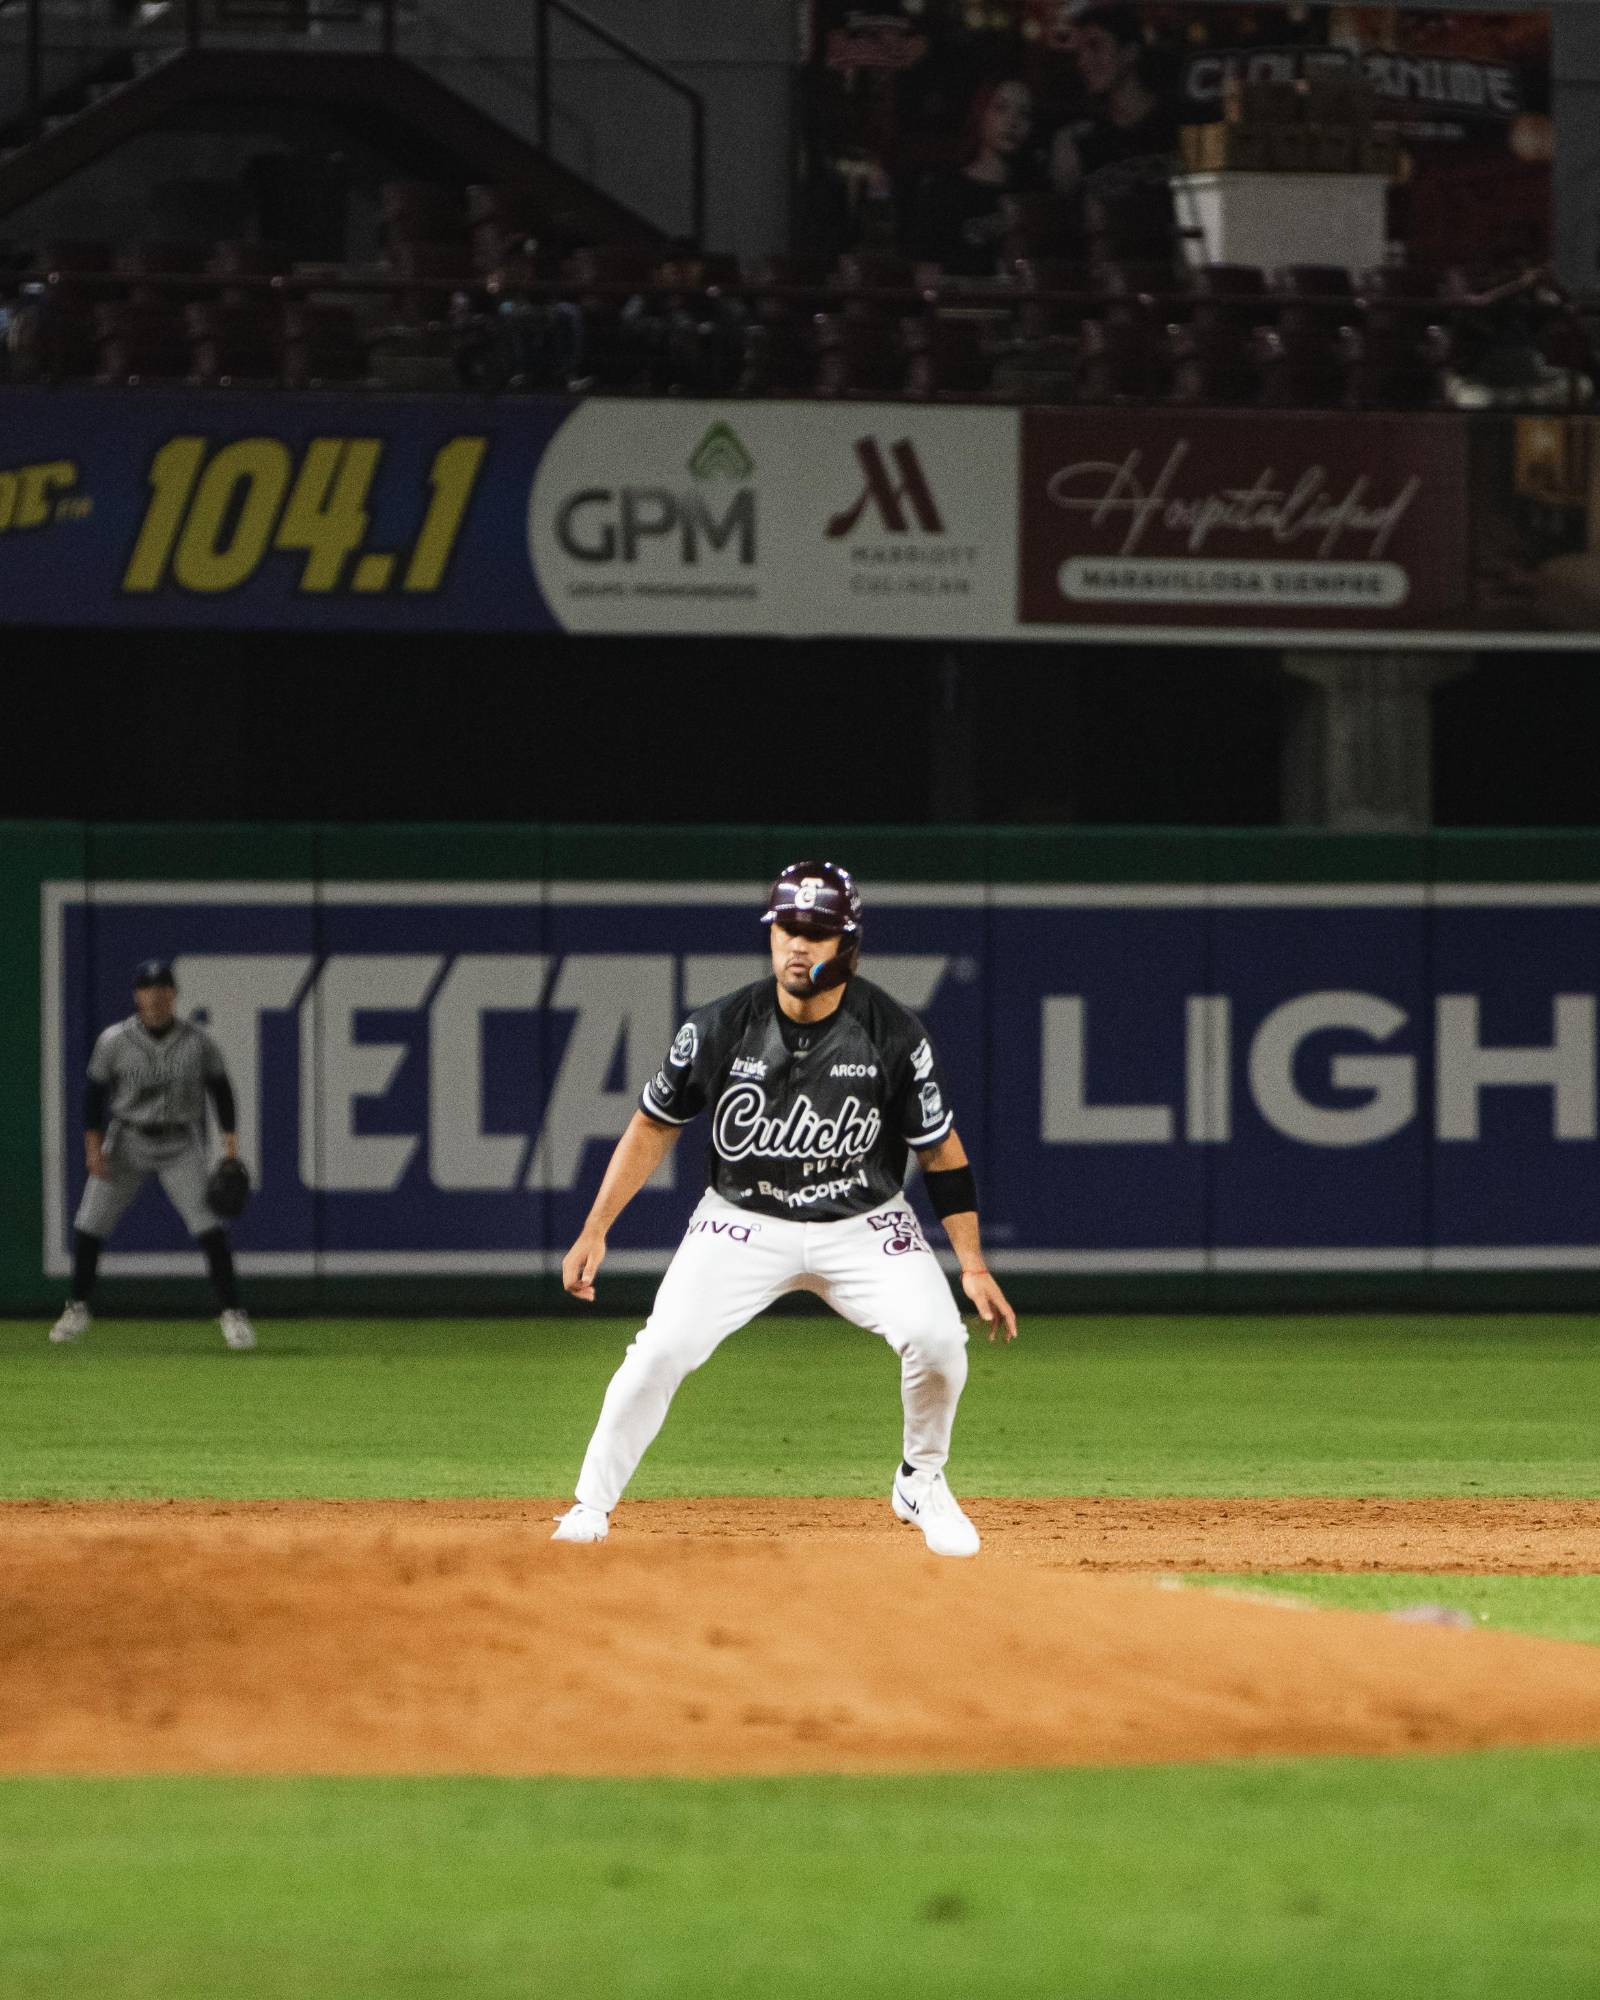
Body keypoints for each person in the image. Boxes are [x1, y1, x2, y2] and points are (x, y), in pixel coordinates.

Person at [552, 861, 1018, 1558]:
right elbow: (653, 1124)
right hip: (742, 1221)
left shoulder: (893, 1034)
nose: (797, 945)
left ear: (847, 946)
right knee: (661, 1351)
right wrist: (596, 1227)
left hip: (864, 1224)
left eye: (816, 932)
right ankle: (589, 1507)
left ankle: (921, 1480)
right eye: (786, 929)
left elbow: (941, 1151)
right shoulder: (720, 1026)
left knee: (939, 1339)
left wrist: (973, 1264)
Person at [49, 959, 256, 1351]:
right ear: (137, 995)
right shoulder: (114, 1040)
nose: (155, 996)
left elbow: (222, 1092)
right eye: (148, 988)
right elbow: (93, 1095)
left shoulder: (199, 1041)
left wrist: (230, 1148)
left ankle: (232, 1314)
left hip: (180, 1143)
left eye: (163, 988)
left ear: (174, 994)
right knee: (89, 1224)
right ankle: (76, 1307)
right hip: (127, 1140)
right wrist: (93, 1147)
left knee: (211, 1230)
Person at [911, 76, 1041, 278]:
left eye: (1024, 114)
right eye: (1001, 108)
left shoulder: (1034, 194)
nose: (1013, 121)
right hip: (962, 306)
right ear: (981, 113)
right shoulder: (943, 191)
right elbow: (927, 274)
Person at [1049, 1, 1182, 201]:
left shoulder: (1178, 123)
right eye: (1079, 52)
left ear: (1130, 52)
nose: (1082, 61)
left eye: (1095, 46)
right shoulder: (1083, 141)